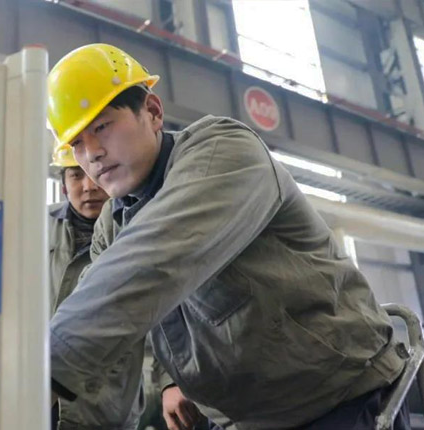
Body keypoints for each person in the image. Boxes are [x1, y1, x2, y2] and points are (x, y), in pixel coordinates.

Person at [47, 43, 411, 430]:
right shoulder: (112, 224)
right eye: (77, 144)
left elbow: (151, 263)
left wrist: (42, 371)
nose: (92, 154)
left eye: (102, 127)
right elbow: (106, 318)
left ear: (152, 112)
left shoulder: (224, 152)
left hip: (339, 399)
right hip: (243, 418)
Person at [48, 146, 145, 430]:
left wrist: (170, 383)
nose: (88, 186)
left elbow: (169, 308)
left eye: (93, 173)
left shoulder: (138, 228)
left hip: (106, 400)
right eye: (76, 175)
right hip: (38, 392)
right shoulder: (32, 227)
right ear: (63, 186)